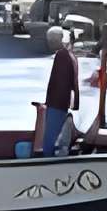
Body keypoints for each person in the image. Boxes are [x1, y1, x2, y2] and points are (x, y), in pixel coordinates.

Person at [38, 24, 79, 155]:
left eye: (51, 41)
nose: (49, 44)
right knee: (59, 138)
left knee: (51, 138)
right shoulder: (71, 56)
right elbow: (74, 84)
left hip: (57, 103)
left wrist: (49, 102)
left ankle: (47, 163)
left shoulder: (61, 56)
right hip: (63, 103)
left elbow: (58, 83)